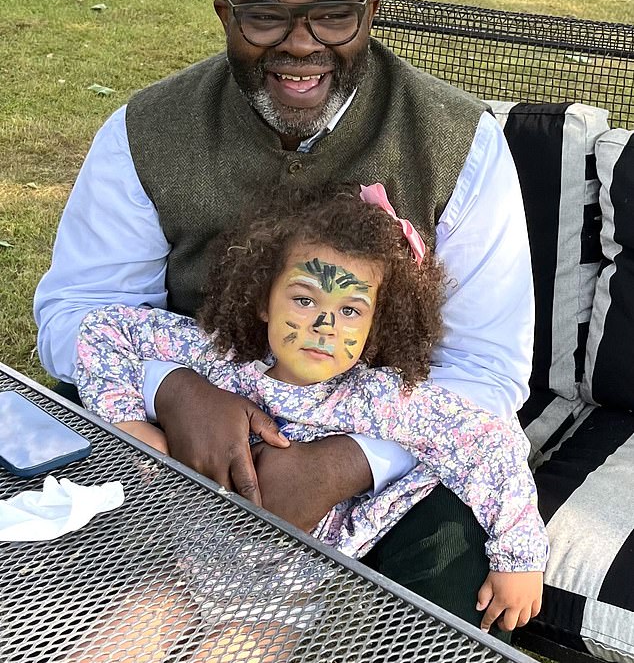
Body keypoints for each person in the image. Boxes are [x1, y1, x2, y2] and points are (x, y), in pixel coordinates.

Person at [34, 0, 535, 631]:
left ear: (369, 13)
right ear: (226, 15)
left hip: (392, 442)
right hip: (180, 435)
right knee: (73, 566)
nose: (301, 45)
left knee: (441, 592)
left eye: (333, 14)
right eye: (265, 14)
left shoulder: (461, 142)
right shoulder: (144, 130)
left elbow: (487, 371)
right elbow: (74, 313)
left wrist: (343, 462)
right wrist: (171, 388)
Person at [75, 184, 546, 633]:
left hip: (279, 602)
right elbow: (103, 329)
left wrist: (520, 559)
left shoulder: (380, 399)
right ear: (264, 300)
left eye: (350, 311)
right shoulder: (219, 357)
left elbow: (490, 442)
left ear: (376, 326)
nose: (323, 325)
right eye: (304, 299)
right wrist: (130, 422)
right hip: (178, 563)